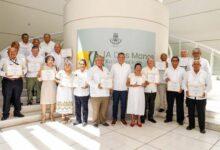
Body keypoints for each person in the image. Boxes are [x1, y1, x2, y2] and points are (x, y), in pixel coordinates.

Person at [183, 60, 212, 134]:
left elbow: (209, 86)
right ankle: (191, 125)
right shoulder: (187, 73)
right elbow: (183, 84)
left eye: (197, 64)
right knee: (190, 112)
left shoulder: (205, 74)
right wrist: (186, 90)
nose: (196, 65)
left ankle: (202, 128)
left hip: (201, 97)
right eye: (194, 64)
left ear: (200, 65)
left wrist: (204, 92)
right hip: (190, 97)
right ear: (192, 65)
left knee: (201, 113)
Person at [0, 47, 27, 120]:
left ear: (16, 52)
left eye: (14, 51)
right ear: (8, 53)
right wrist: (5, 74)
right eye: (10, 52)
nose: (12, 53)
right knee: (7, 98)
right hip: (7, 81)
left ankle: (17, 112)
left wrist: (22, 73)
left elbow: (25, 68)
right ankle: (5, 114)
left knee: (17, 97)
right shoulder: (3, 60)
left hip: (18, 81)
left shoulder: (21, 60)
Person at [88, 55, 111, 127]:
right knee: (96, 110)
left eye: (101, 60)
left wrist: (110, 87)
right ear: (95, 61)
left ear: (103, 61)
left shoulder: (106, 69)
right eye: (98, 60)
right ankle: (95, 122)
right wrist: (97, 85)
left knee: (104, 110)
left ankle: (103, 121)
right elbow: (89, 80)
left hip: (106, 93)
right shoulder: (91, 69)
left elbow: (109, 79)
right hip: (96, 94)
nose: (100, 61)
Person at [164, 56, 185, 125]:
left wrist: (182, 88)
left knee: (180, 105)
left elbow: (185, 80)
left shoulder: (182, 70)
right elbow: (164, 77)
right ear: (171, 61)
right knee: (169, 104)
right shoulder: (168, 69)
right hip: (170, 90)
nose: (174, 62)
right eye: (173, 60)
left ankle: (180, 119)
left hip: (179, 90)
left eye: (176, 61)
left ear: (178, 62)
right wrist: (166, 79)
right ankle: (169, 118)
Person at [110, 52, 131, 125]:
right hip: (115, 89)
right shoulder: (114, 66)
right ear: (117, 58)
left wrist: (128, 84)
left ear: (124, 58)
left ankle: (122, 118)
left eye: (122, 57)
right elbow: (111, 77)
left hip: (124, 89)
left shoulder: (128, 66)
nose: (121, 58)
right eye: (120, 57)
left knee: (124, 105)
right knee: (115, 104)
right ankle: (114, 118)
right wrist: (111, 88)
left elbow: (129, 77)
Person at [38, 55, 57, 123]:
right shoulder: (43, 68)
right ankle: (43, 116)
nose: (51, 61)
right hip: (45, 85)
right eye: (49, 60)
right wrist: (40, 73)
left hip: (52, 85)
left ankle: (52, 115)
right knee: (44, 100)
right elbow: (39, 78)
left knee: (52, 100)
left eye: (52, 60)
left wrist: (56, 79)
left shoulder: (54, 68)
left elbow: (56, 77)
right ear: (46, 61)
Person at [126, 63, 146, 127]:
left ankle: (139, 120)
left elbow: (145, 84)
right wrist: (132, 85)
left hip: (140, 92)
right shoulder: (131, 75)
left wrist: (144, 84)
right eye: (137, 67)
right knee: (132, 104)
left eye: (139, 67)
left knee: (140, 105)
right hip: (132, 92)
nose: (138, 68)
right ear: (134, 68)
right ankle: (132, 120)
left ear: (141, 68)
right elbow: (127, 83)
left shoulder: (143, 75)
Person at [141, 57, 159, 123]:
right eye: (149, 62)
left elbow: (157, 78)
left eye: (152, 61)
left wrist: (157, 82)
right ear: (147, 62)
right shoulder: (143, 69)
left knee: (152, 104)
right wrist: (145, 81)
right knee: (144, 104)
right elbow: (142, 78)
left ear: (153, 62)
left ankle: (150, 117)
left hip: (153, 89)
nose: (150, 63)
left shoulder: (156, 69)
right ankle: (143, 117)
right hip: (146, 89)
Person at [73, 59, 90, 126]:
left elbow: (90, 81)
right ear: (79, 65)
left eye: (83, 64)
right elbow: (73, 81)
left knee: (85, 108)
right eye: (80, 64)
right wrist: (73, 85)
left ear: (85, 65)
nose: (82, 65)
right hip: (77, 92)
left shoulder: (88, 73)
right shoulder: (75, 72)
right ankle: (78, 120)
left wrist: (87, 85)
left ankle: (85, 121)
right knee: (77, 107)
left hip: (85, 93)